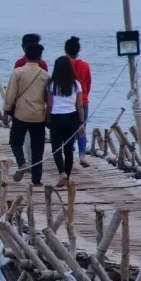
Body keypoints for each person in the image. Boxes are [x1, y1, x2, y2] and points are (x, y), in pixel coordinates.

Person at [2, 42, 49, 186]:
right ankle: (36, 179)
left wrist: (6, 111)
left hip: (20, 114)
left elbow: (11, 95)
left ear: (25, 55)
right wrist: (48, 115)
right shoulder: (45, 75)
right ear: (40, 57)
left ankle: (21, 162)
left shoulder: (18, 72)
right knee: (38, 147)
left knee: (15, 142)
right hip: (38, 115)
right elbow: (49, 98)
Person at [46, 56, 85, 187]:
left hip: (56, 117)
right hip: (71, 117)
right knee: (69, 149)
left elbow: (50, 104)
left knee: (56, 148)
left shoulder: (52, 84)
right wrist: (81, 122)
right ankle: (67, 176)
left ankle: (61, 172)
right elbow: (79, 105)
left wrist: (47, 118)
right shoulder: (75, 84)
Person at [65, 36, 92, 167]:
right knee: (82, 128)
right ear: (78, 51)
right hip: (83, 101)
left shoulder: (63, 65)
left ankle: (68, 153)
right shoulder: (85, 65)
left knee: (68, 130)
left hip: (67, 102)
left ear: (66, 51)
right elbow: (88, 83)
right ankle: (82, 155)